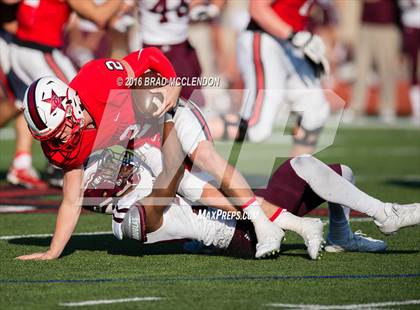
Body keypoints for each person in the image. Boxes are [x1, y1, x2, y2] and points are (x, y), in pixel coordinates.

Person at [16, 46, 301, 260]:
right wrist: (53, 251)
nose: (58, 141)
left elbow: (146, 57)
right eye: (50, 136)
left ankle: (268, 221)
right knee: (189, 192)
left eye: (60, 130)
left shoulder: (96, 81)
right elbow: (71, 199)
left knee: (203, 171)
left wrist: (172, 83)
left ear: (70, 106)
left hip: (166, 116)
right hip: (139, 141)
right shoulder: (63, 145)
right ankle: (274, 222)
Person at [6, 0, 123, 188]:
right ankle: (64, 165)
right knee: (76, 100)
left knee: (28, 107)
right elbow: (99, 16)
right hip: (40, 51)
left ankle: (22, 163)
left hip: (19, 48)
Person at [208, 0, 332, 157]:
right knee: (256, 128)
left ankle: (294, 177)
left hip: (291, 43)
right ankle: (186, 130)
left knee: (315, 112)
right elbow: (257, 8)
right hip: (266, 38)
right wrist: (294, 35)